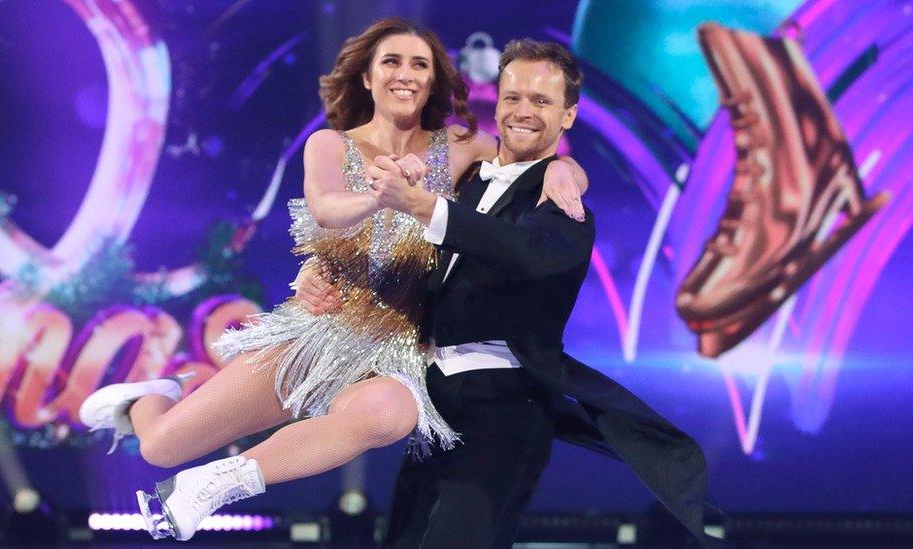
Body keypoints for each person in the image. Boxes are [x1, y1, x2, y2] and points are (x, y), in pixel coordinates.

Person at [76, 18, 588, 541]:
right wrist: (385, 195)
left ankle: (213, 485)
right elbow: (326, 209)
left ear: (434, 80)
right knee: (162, 446)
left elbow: (529, 162)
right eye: (391, 62)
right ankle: (153, 395)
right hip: (321, 332)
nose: (405, 75)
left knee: (388, 414)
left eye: (419, 65)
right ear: (367, 77)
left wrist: (564, 172)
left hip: (404, 350)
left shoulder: (459, 146)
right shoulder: (328, 145)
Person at [297, 38, 719, 548]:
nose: (523, 111)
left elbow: (522, 251)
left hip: (506, 406)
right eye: (513, 97)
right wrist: (323, 269)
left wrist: (431, 205)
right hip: (431, 402)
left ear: (569, 116)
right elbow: (400, 255)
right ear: (495, 103)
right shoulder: (466, 180)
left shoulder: (563, 205)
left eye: (542, 102)